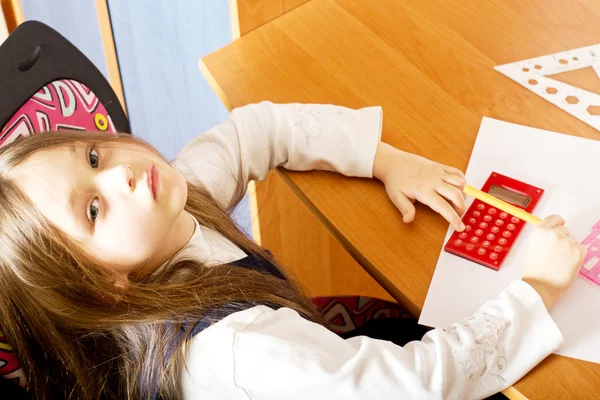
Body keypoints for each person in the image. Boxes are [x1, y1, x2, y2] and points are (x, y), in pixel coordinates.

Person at [0, 102, 585, 399]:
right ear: (102, 288)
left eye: (94, 157)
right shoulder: (238, 351)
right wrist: (537, 292)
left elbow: (254, 130)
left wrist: (383, 160)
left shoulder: (173, 200)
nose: (121, 175)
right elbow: (414, 387)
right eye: (93, 210)